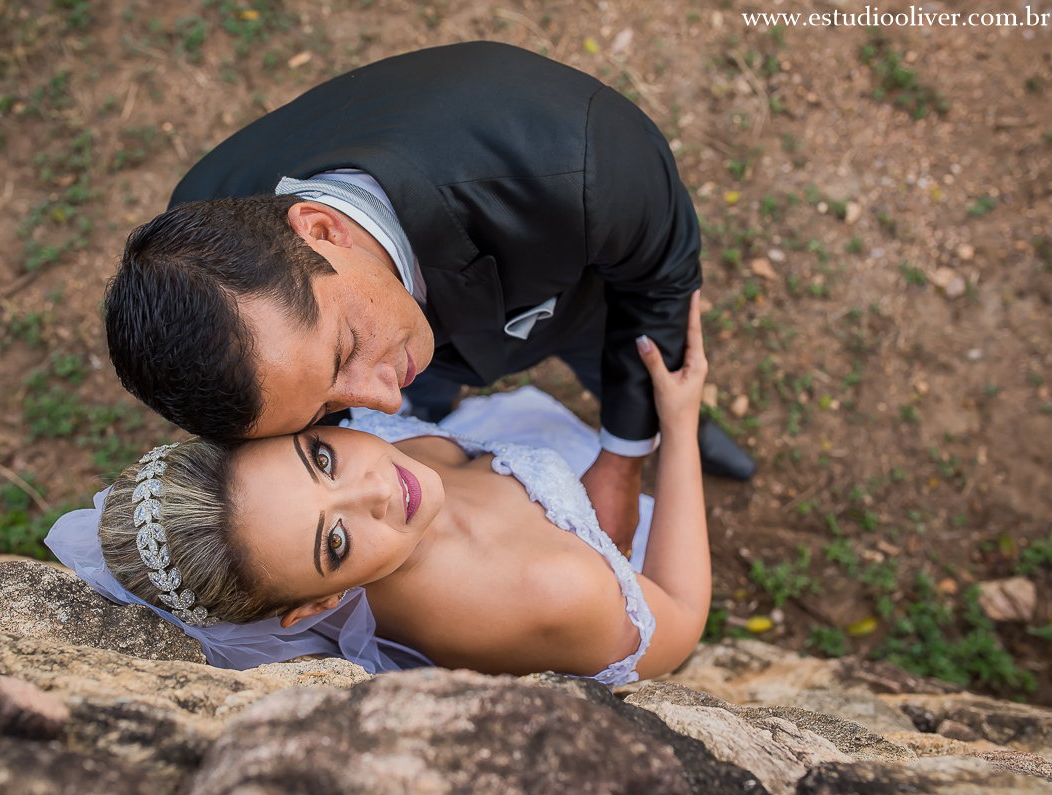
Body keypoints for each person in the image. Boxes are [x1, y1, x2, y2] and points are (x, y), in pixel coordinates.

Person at [103, 42, 752, 557]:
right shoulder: (196, 252)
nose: (383, 402)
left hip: (570, 308)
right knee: (414, 388)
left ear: (322, 230)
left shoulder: (578, 164)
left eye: (347, 349)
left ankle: (679, 429)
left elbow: (660, 283)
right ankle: (433, 397)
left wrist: (624, 455)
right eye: (327, 410)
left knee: (618, 365)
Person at [48, 292, 711, 687]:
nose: (376, 493)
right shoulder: (555, 589)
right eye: (334, 541)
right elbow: (681, 612)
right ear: (323, 604)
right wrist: (677, 426)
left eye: (323, 460)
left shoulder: (355, 463)